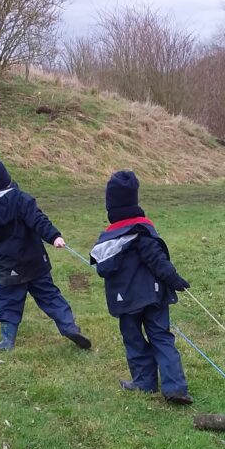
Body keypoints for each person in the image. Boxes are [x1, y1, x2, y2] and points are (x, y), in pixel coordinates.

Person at [90, 170, 192, 404]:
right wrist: (173, 279)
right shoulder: (143, 231)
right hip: (154, 296)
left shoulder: (107, 240)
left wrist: (173, 279)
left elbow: (102, 269)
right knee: (161, 337)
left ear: (110, 208)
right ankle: (175, 387)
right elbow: (158, 260)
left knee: (134, 340)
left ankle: (145, 382)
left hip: (125, 300)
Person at [0, 156, 91, 352]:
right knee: (50, 296)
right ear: (7, 177)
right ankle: (69, 327)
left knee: (8, 302)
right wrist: (54, 236)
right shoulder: (22, 198)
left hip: (10, 265)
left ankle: (7, 340)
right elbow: (38, 220)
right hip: (36, 262)